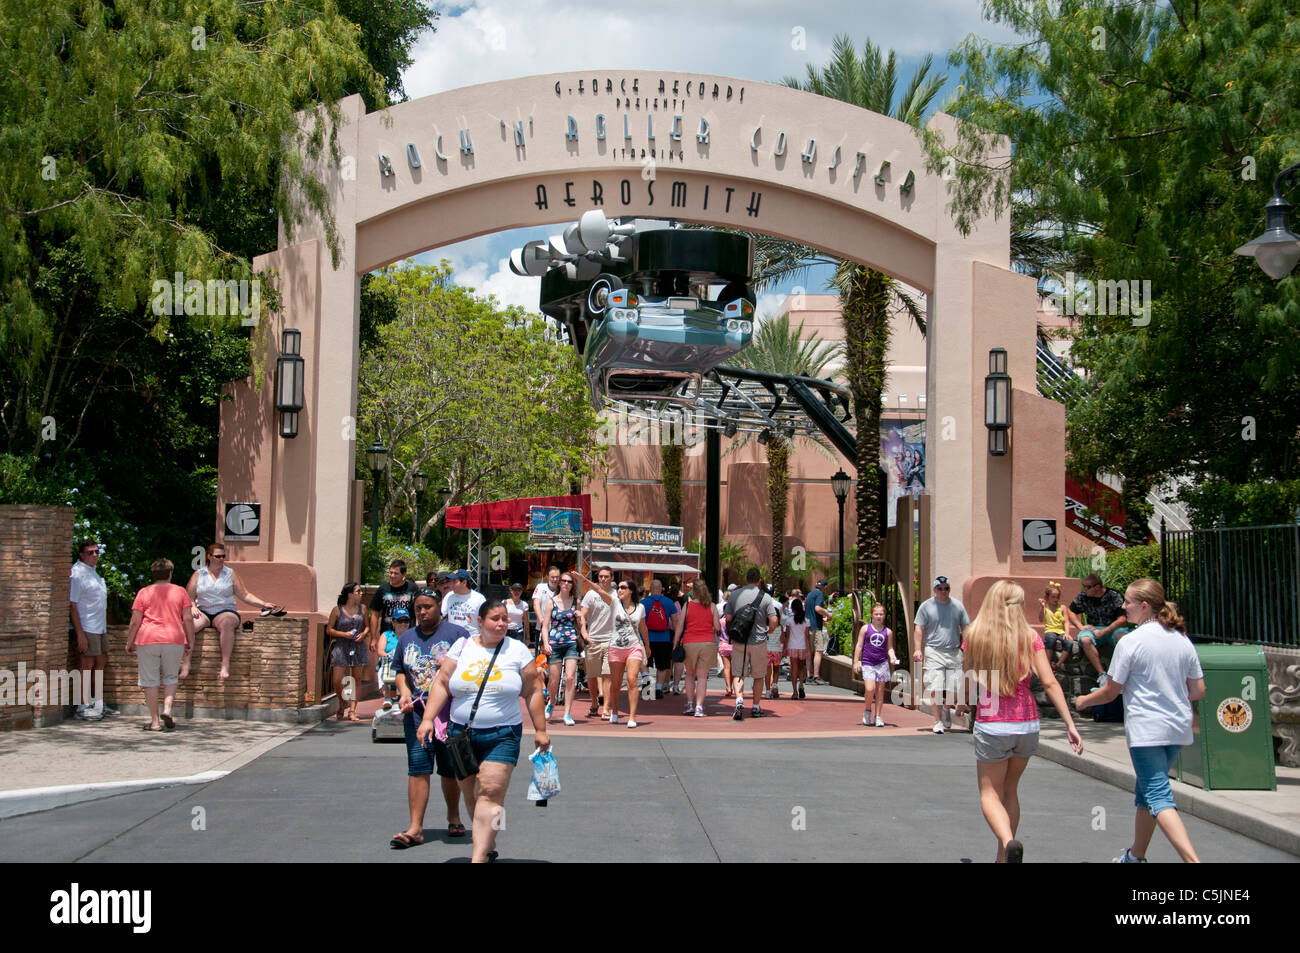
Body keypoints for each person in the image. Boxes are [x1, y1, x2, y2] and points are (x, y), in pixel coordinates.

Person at [1075, 578, 1204, 863]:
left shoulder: (1131, 642)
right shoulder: (1182, 640)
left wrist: (1084, 700)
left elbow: (1111, 691)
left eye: (1129, 602)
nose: (1123, 606)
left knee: (1158, 796)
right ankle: (1135, 856)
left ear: (1144, 606)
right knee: (1147, 792)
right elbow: (1198, 690)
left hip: (1148, 730)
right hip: (1177, 728)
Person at [417, 600, 549, 863]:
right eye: (494, 619)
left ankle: (478, 857)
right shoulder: (462, 647)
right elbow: (442, 683)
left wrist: (540, 730)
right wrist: (428, 719)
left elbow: (534, 689)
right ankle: (489, 843)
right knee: (473, 796)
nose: (501, 624)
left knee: (490, 791)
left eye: (504, 619)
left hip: (503, 735)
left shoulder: (518, 651)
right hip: (460, 735)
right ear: (479, 621)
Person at [964, 580, 1084, 862]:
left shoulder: (976, 634)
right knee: (1011, 790)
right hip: (1026, 723)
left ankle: (1007, 842)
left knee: (990, 792)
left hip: (992, 721)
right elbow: (1050, 682)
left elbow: (969, 677)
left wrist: (962, 703)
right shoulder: (1029, 636)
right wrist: (1070, 724)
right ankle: (1002, 858)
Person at [389, 589, 469, 848]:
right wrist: (403, 692)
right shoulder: (407, 638)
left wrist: (448, 669)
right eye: (418, 609)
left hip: (449, 716)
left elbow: (470, 670)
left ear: (439, 608)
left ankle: (454, 816)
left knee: (449, 769)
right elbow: (400, 671)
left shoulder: (457, 636)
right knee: (418, 768)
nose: (423, 612)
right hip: (417, 716)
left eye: (428, 607)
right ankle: (415, 828)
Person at [185, 543, 281, 679]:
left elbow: (245, 595)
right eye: (218, 556)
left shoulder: (230, 573)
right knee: (189, 624)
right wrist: (193, 607)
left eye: (223, 556)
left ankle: (225, 664)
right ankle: (186, 662)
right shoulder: (199, 574)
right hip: (203, 610)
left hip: (225, 610)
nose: (221, 559)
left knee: (227, 622)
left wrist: (263, 603)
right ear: (209, 557)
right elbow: (188, 597)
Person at [125, 558, 195, 731]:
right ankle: (167, 709)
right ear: (170, 573)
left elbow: (135, 621)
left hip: (148, 638)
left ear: (153, 574)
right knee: (171, 677)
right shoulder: (180, 592)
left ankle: (155, 722)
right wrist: (190, 641)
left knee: (150, 681)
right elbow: (187, 618)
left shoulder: (144, 592)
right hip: (174, 638)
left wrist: (130, 641)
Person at [912, 575, 971, 734]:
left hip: (953, 651)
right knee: (935, 687)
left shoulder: (957, 606)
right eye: (940, 588)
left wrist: (967, 648)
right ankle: (937, 721)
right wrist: (918, 649)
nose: (943, 591)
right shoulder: (926, 606)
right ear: (934, 589)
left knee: (956, 686)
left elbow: (965, 626)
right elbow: (919, 628)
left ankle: (946, 707)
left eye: (946, 588)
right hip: (934, 650)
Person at [725, 568, 780, 721]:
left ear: (746, 579)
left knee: (738, 673)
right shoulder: (766, 598)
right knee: (759, 675)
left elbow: (728, 618)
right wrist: (769, 630)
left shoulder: (735, 595)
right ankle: (756, 706)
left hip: (740, 640)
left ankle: (739, 700)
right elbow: (774, 620)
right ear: (759, 580)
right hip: (759, 641)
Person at [70, 538, 113, 720]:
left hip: (99, 627)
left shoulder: (93, 572)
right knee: (86, 666)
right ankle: (82, 705)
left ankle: (98, 703)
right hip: (87, 626)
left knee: (100, 664)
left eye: (97, 552)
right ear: (81, 555)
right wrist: (80, 633)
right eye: (90, 552)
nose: (94, 555)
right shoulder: (77, 574)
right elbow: (72, 605)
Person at [1068, 574, 1129, 682]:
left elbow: (1122, 619)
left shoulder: (1114, 595)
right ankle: (1102, 675)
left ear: (1097, 587)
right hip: (1093, 628)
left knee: (1122, 638)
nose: (1084, 589)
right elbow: (1071, 611)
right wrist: (1080, 626)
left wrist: (1104, 631)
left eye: (1087, 587)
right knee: (1085, 639)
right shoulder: (1083, 596)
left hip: (1113, 628)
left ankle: (1123, 674)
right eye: (1084, 586)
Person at [673, 579, 720, 717]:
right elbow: (717, 627)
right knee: (702, 677)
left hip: (689, 642)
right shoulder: (712, 606)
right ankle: (699, 707)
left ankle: (689, 704)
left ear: (694, 592)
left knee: (689, 674)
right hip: (707, 642)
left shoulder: (687, 606)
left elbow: (680, 626)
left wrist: (675, 642)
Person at [606, 578, 649, 727]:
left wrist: (647, 647)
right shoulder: (614, 603)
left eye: (623, 587)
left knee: (632, 679)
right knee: (616, 683)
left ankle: (632, 717)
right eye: (618, 587)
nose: (619, 590)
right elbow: (599, 591)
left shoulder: (640, 607)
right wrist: (584, 580)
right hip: (616, 647)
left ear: (631, 590)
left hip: (633, 646)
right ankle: (615, 710)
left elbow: (643, 627)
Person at [541, 571, 581, 725]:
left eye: (569, 582)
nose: (566, 583)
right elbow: (545, 626)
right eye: (563, 581)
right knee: (553, 680)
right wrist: (546, 643)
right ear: (559, 583)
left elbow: (579, 625)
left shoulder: (575, 601)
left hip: (571, 641)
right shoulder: (552, 601)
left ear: (572, 585)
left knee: (570, 678)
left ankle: (567, 713)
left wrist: (579, 617)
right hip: (555, 642)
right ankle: (551, 701)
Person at [575, 566, 616, 718]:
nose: (603, 579)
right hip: (593, 640)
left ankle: (606, 707)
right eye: (600, 577)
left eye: (606, 576)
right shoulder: (590, 595)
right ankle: (594, 703)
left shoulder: (616, 595)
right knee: (592, 676)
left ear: (612, 578)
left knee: (607, 674)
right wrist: (584, 633)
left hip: (610, 640)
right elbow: (582, 615)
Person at [326, 582, 369, 721]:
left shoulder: (362, 609)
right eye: (358, 591)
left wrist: (363, 634)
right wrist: (344, 634)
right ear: (350, 594)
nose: (361, 594)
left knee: (357, 679)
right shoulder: (337, 610)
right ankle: (341, 702)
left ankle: (352, 710)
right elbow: (329, 630)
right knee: (337, 680)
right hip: (341, 646)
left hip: (358, 646)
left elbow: (367, 626)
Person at [853, 603, 899, 727]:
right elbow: (859, 645)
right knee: (870, 688)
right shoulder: (865, 629)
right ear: (872, 615)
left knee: (879, 691)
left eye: (881, 614)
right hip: (868, 662)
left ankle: (878, 716)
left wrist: (892, 656)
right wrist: (856, 661)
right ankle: (867, 710)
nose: (879, 616)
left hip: (882, 663)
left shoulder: (888, 632)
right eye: (876, 614)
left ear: (884, 615)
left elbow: (889, 648)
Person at [368, 560, 420, 666]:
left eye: (395, 573)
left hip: (408, 632)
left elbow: (418, 611)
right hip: (387, 633)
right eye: (390, 572)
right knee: (387, 665)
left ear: (404, 574)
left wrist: (419, 630)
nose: (392, 575)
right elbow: (375, 614)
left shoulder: (412, 588)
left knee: (407, 664)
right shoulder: (383, 589)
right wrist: (373, 638)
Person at [642, 579, 678, 698]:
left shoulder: (643, 602)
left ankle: (647, 686)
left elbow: (639, 622)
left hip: (647, 638)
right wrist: (676, 638)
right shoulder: (669, 602)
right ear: (661, 588)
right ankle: (658, 688)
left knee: (645, 662)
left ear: (651, 589)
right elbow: (675, 622)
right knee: (662, 665)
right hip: (664, 637)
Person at [376, 608, 410, 709]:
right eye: (400, 621)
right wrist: (391, 654)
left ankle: (403, 696)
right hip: (389, 662)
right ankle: (387, 697)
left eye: (406, 621)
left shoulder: (412, 635)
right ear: (393, 622)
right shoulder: (387, 635)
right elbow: (380, 652)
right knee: (382, 668)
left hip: (406, 663)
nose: (403, 624)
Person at [1038, 581, 1075, 670]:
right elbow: (1040, 619)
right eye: (1053, 597)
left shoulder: (1062, 608)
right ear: (1047, 597)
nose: (1056, 599)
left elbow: (1066, 621)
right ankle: (1047, 662)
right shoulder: (1045, 607)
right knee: (1051, 639)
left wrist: (1067, 632)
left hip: (1060, 631)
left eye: (1057, 597)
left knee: (1069, 642)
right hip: (1050, 629)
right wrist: (1042, 607)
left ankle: (1058, 663)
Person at [441, 569, 486, 635]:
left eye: (454, 582)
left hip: (471, 638)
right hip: (453, 638)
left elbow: (484, 621)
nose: (451, 585)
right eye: (451, 582)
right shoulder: (449, 596)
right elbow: (442, 615)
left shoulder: (479, 599)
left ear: (464, 583)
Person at [805, 579, 831, 683]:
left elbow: (811, 611)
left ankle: (808, 675)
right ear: (825, 588)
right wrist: (828, 614)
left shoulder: (810, 594)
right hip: (816, 627)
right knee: (819, 650)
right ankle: (816, 675)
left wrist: (823, 619)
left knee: (808, 651)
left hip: (807, 626)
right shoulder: (820, 594)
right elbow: (817, 608)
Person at [784, 593, 809, 699]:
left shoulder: (789, 620)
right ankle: (801, 685)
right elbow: (807, 636)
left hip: (792, 646)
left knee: (793, 669)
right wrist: (808, 648)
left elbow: (787, 635)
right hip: (802, 646)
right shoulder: (806, 620)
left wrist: (785, 648)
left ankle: (794, 691)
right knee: (801, 668)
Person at [533, 565, 562, 646]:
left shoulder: (562, 589)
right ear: (547, 577)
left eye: (557, 577)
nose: (555, 579)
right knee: (541, 657)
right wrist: (542, 620)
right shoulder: (540, 587)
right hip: (542, 628)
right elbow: (536, 604)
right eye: (552, 577)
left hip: (558, 629)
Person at [718, 584, 736, 693]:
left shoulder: (721, 621)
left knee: (726, 667)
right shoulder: (735, 622)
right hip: (733, 645)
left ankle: (728, 687)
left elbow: (718, 632)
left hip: (723, 645)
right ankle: (733, 687)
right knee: (733, 668)